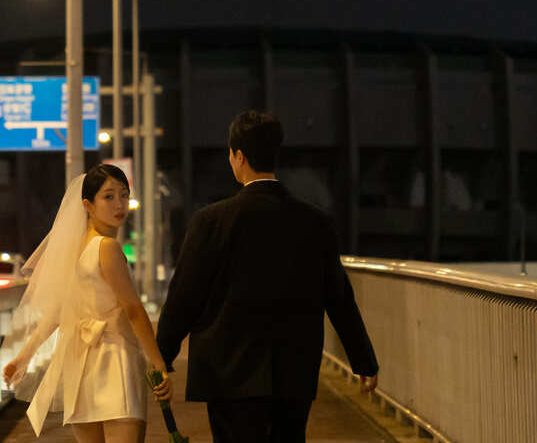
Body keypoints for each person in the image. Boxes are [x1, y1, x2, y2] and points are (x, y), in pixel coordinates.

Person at [156, 110, 379, 443]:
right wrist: (363, 360)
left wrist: (162, 355)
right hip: (293, 370)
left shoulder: (211, 221)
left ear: (239, 157)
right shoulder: (314, 221)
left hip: (228, 373)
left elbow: (184, 297)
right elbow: (339, 297)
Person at [4, 163, 172, 440]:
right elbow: (133, 310)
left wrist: (24, 357)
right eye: (108, 196)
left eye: (124, 195)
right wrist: (158, 363)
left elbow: (58, 311)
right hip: (115, 360)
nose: (119, 204)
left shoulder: (75, 248)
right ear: (88, 205)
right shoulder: (107, 247)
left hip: (78, 368)